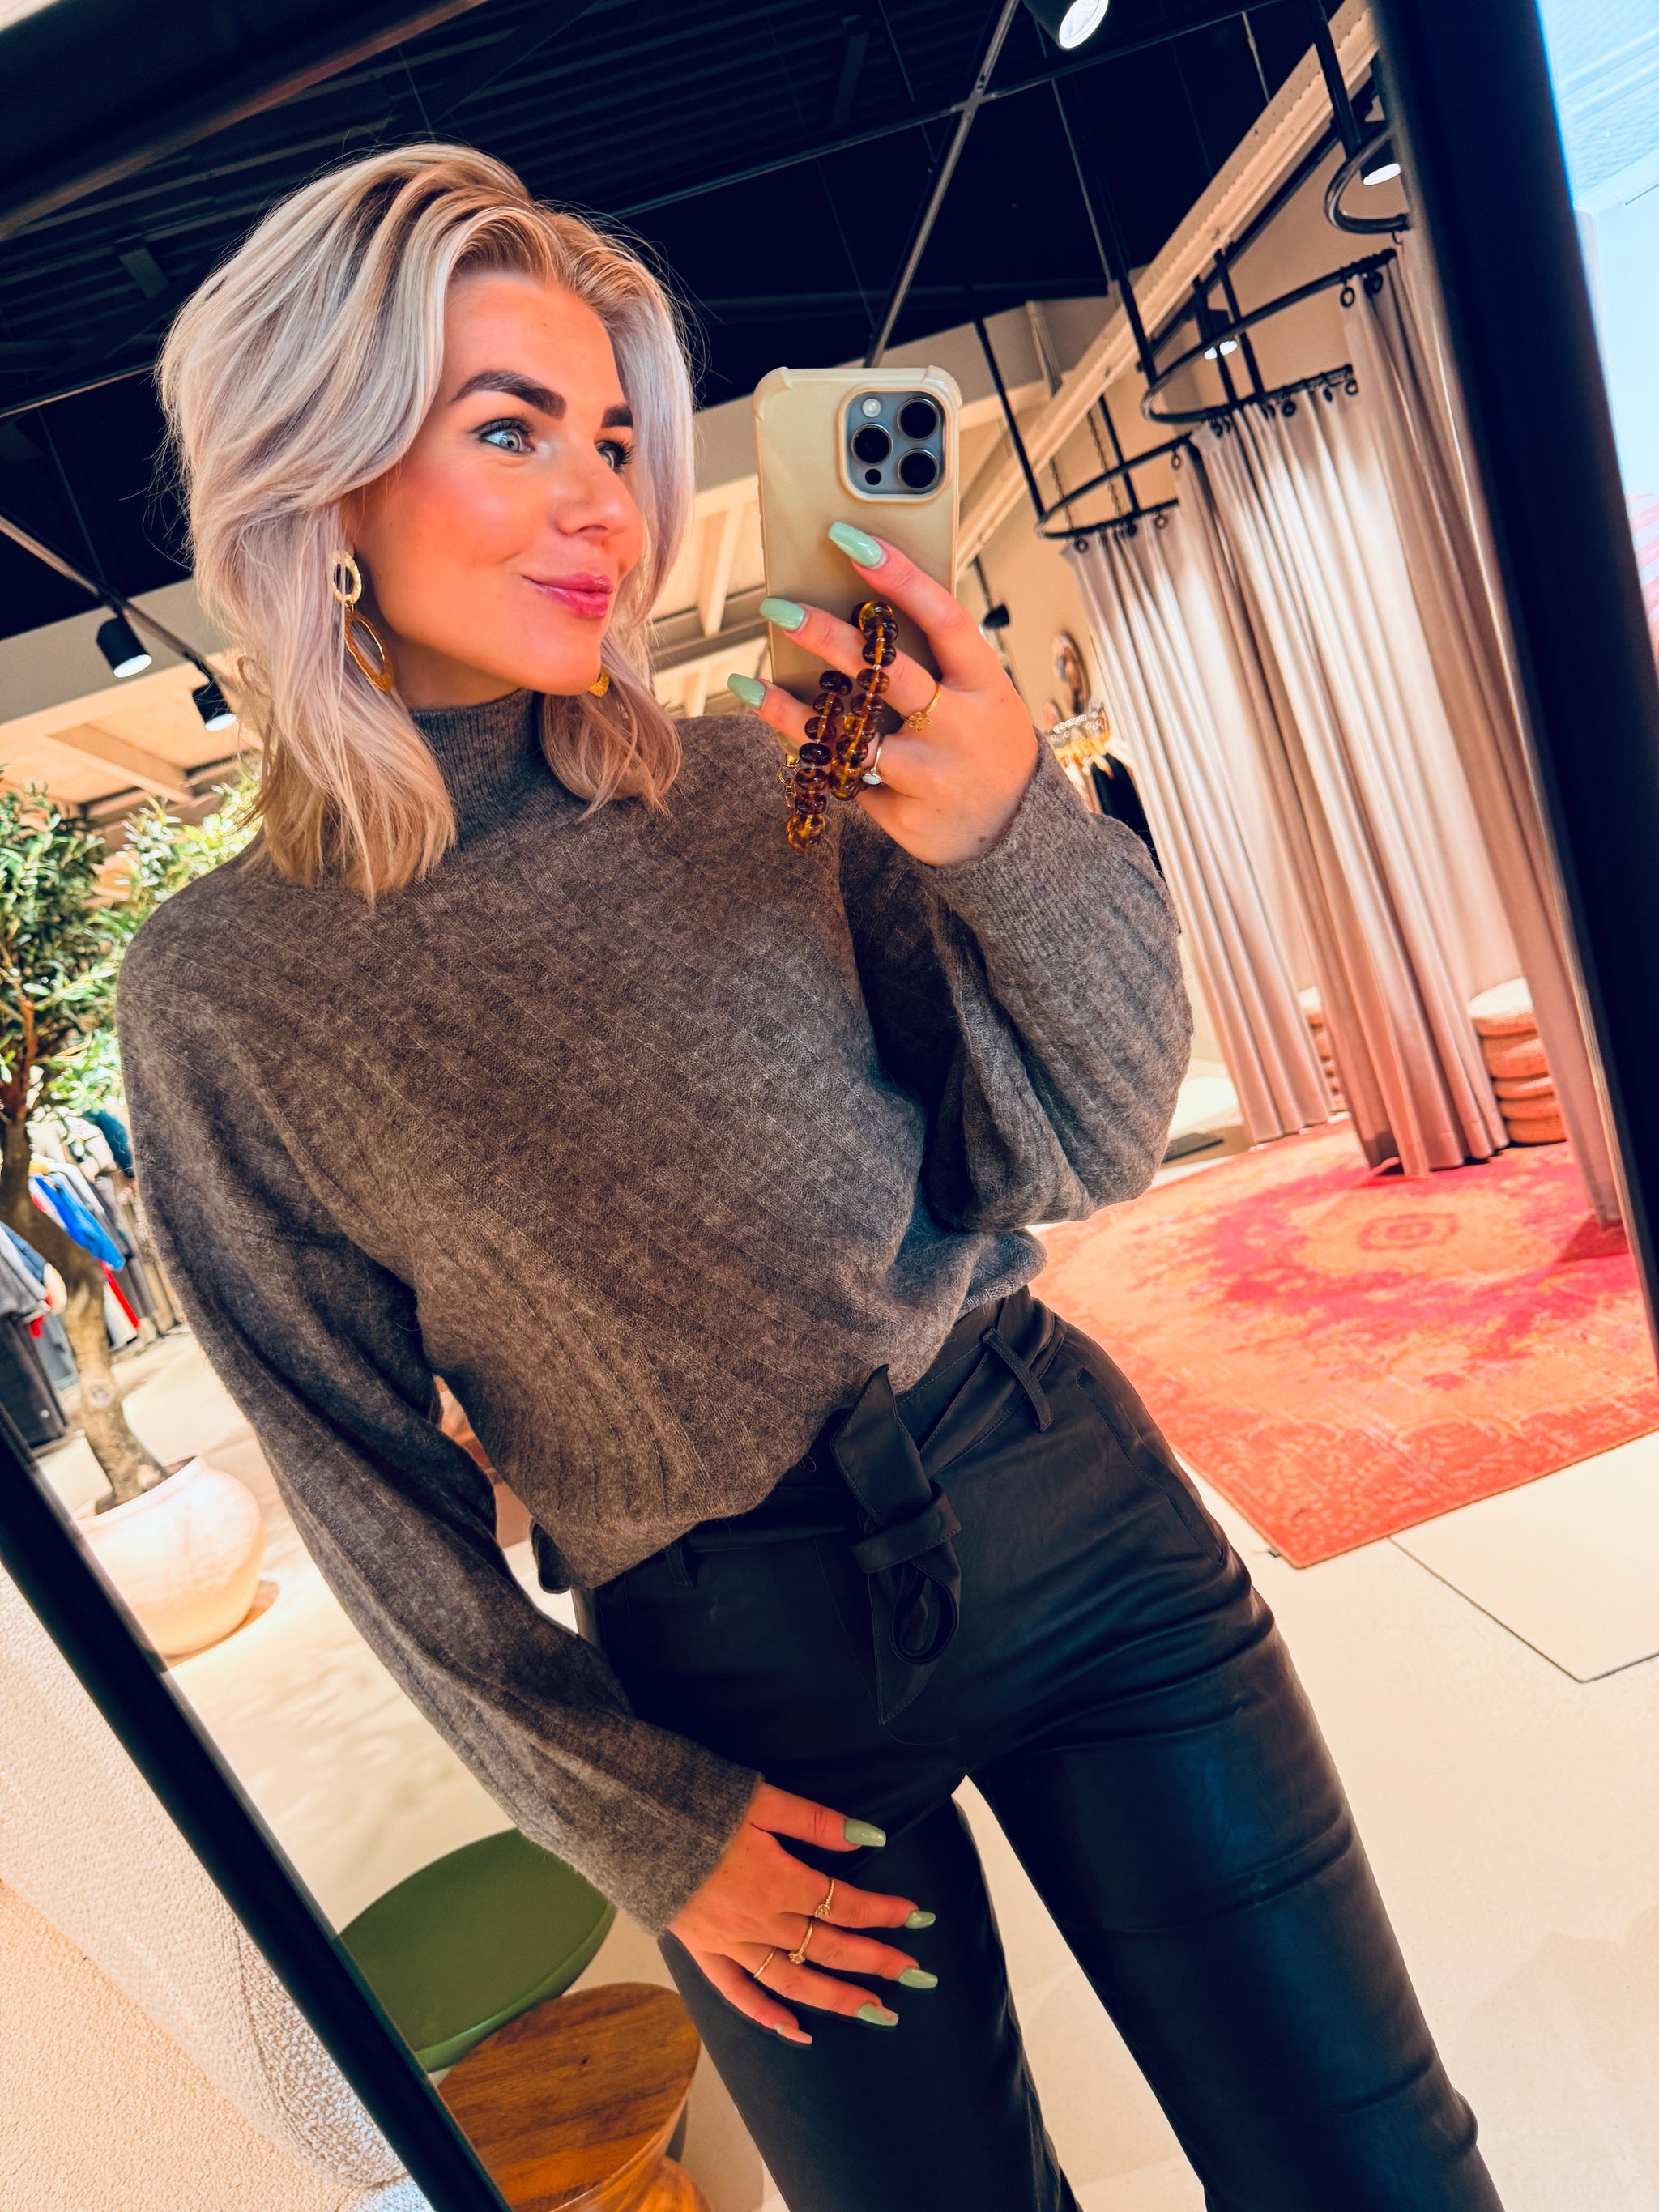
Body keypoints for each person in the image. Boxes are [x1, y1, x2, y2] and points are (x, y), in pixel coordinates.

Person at [117, 145, 1502, 2211]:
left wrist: (1012, 822)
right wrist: (638, 1817)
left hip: (1066, 1507)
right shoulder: (230, 988)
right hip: (733, 1679)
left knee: (1372, 2166)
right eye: (512, 429)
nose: (605, 503)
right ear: (320, 480)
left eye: (616, 438)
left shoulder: (776, 772)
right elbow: (354, 1479)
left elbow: (1091, 1140)